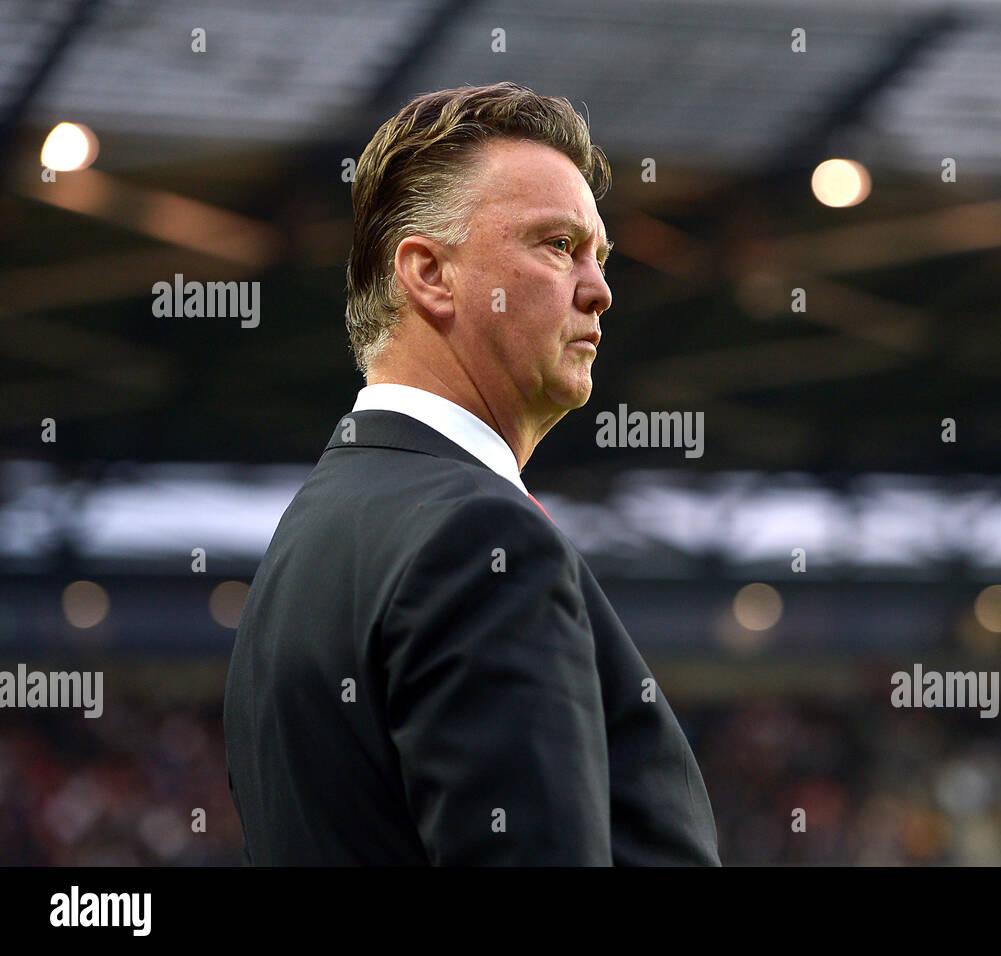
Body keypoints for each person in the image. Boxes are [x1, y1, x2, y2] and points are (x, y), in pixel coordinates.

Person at [223, 82, 720, 865]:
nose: (600, 289)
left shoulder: (310, 538)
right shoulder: (480, 538)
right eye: (558, 246)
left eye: (598, 254)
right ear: (429, 274)